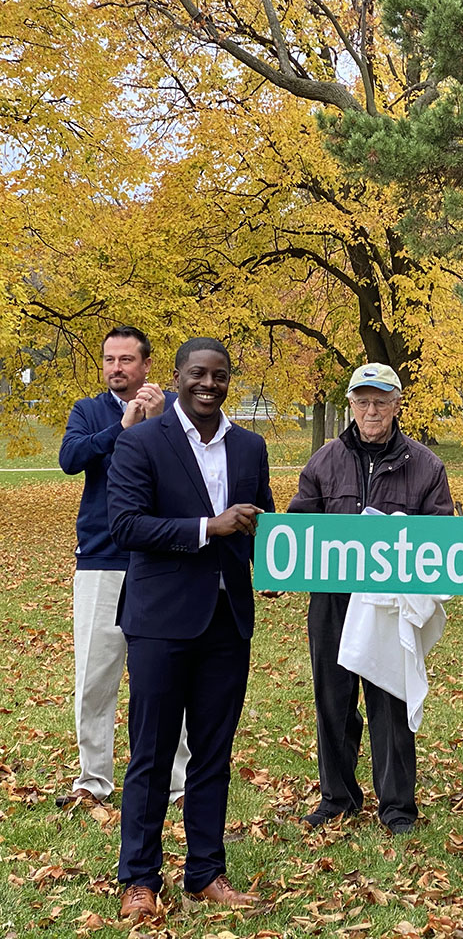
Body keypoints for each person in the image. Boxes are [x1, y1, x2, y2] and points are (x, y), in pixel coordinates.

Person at [106, 338, 273, 921]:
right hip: (161, 621)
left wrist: (272, 564)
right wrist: (211, 526)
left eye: (220, 376)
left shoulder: (251, 447)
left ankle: (205, 872)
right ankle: (139, 879)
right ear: (176, 377)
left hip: (228, 623)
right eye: (198, 374)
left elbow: (262, 525)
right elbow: (126, 525)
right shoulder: (142, 442)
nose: (209, 384)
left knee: (213, 754)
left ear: (230, 380)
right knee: (150, 754)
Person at [288, 362, 453, 835]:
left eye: (381, 400)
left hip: (390, 603)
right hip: (334, 601)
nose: (371, 409)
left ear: (398, 404)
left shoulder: (425, 465)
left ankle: (398, 806)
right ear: (351, 405)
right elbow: (300, 531)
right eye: (363, 400)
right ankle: (337, 798)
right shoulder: (324, 461)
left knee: (390, 700)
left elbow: (441, 538)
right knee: (333, 700)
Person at [57, 326, 189, 808]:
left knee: (166, 674)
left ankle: (177, 781)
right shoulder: (89, 411)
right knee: (95, 672)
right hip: (101, 558)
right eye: (110, 359)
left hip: (162, 558)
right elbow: (69, 458)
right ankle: (93, 780)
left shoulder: (175, 407)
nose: (117, 368)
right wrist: (122, 429)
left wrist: (156, 421)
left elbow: (193, 466)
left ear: (147, 364)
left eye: (127, 359)